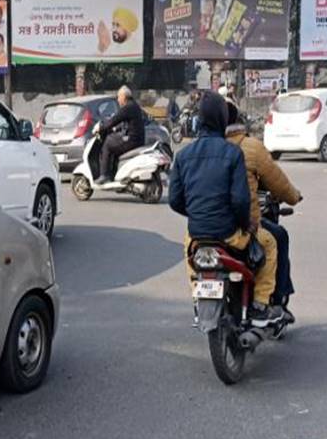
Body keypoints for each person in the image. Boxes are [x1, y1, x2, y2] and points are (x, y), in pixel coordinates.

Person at [169, 93, 282, 326]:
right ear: (222, 119)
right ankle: (261, 305)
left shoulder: (183, 155)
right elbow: (240, 201)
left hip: (197, 235)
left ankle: (197, 298)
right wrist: (246, 224)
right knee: (270, 243)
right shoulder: (232, 153)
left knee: (187, 253)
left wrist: (197, 213)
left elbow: (174, 200)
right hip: (229, 234)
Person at [225, 103, 303, 317]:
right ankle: (273, 301)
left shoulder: (206, 147)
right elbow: (277, 181)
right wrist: (293, 197)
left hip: (206, 226)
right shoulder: (249, 147)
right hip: (240, 224)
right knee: (277, 237)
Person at [95, 85, 145, 184]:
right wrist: (115, 128)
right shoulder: (134, 105)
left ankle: (104, 175)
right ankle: (113, 175)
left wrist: (101, 128)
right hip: (136, 139)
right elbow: (124, 122)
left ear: (123, 97)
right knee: (114, 143)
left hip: (132, 140)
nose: (118, 100)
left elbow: (114, 120)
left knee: (107, 144)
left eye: (118, 97)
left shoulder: (128, 107)